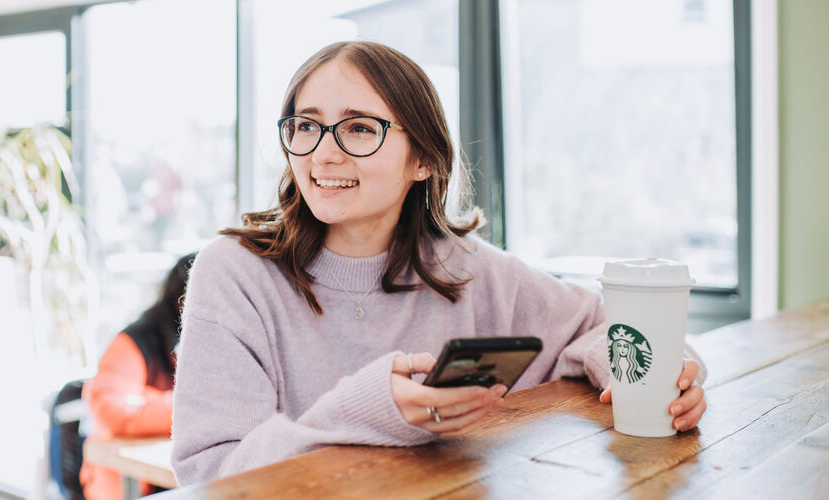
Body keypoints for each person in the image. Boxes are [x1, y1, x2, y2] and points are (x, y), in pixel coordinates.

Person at [171, 41, 707, 485]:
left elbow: (606, 325)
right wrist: (369, 407)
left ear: (423, 160)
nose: (323, 153)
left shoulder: (469, 269)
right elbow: (212, 475)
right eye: (306, 126)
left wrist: (650, 374)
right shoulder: (233, 275)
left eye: (359, 128)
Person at [80, 253, 195, 499]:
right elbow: (112, 409)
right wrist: (189, 407)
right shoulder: (135, 341)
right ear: (182, 301)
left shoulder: (203, 341)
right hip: (122, 484)